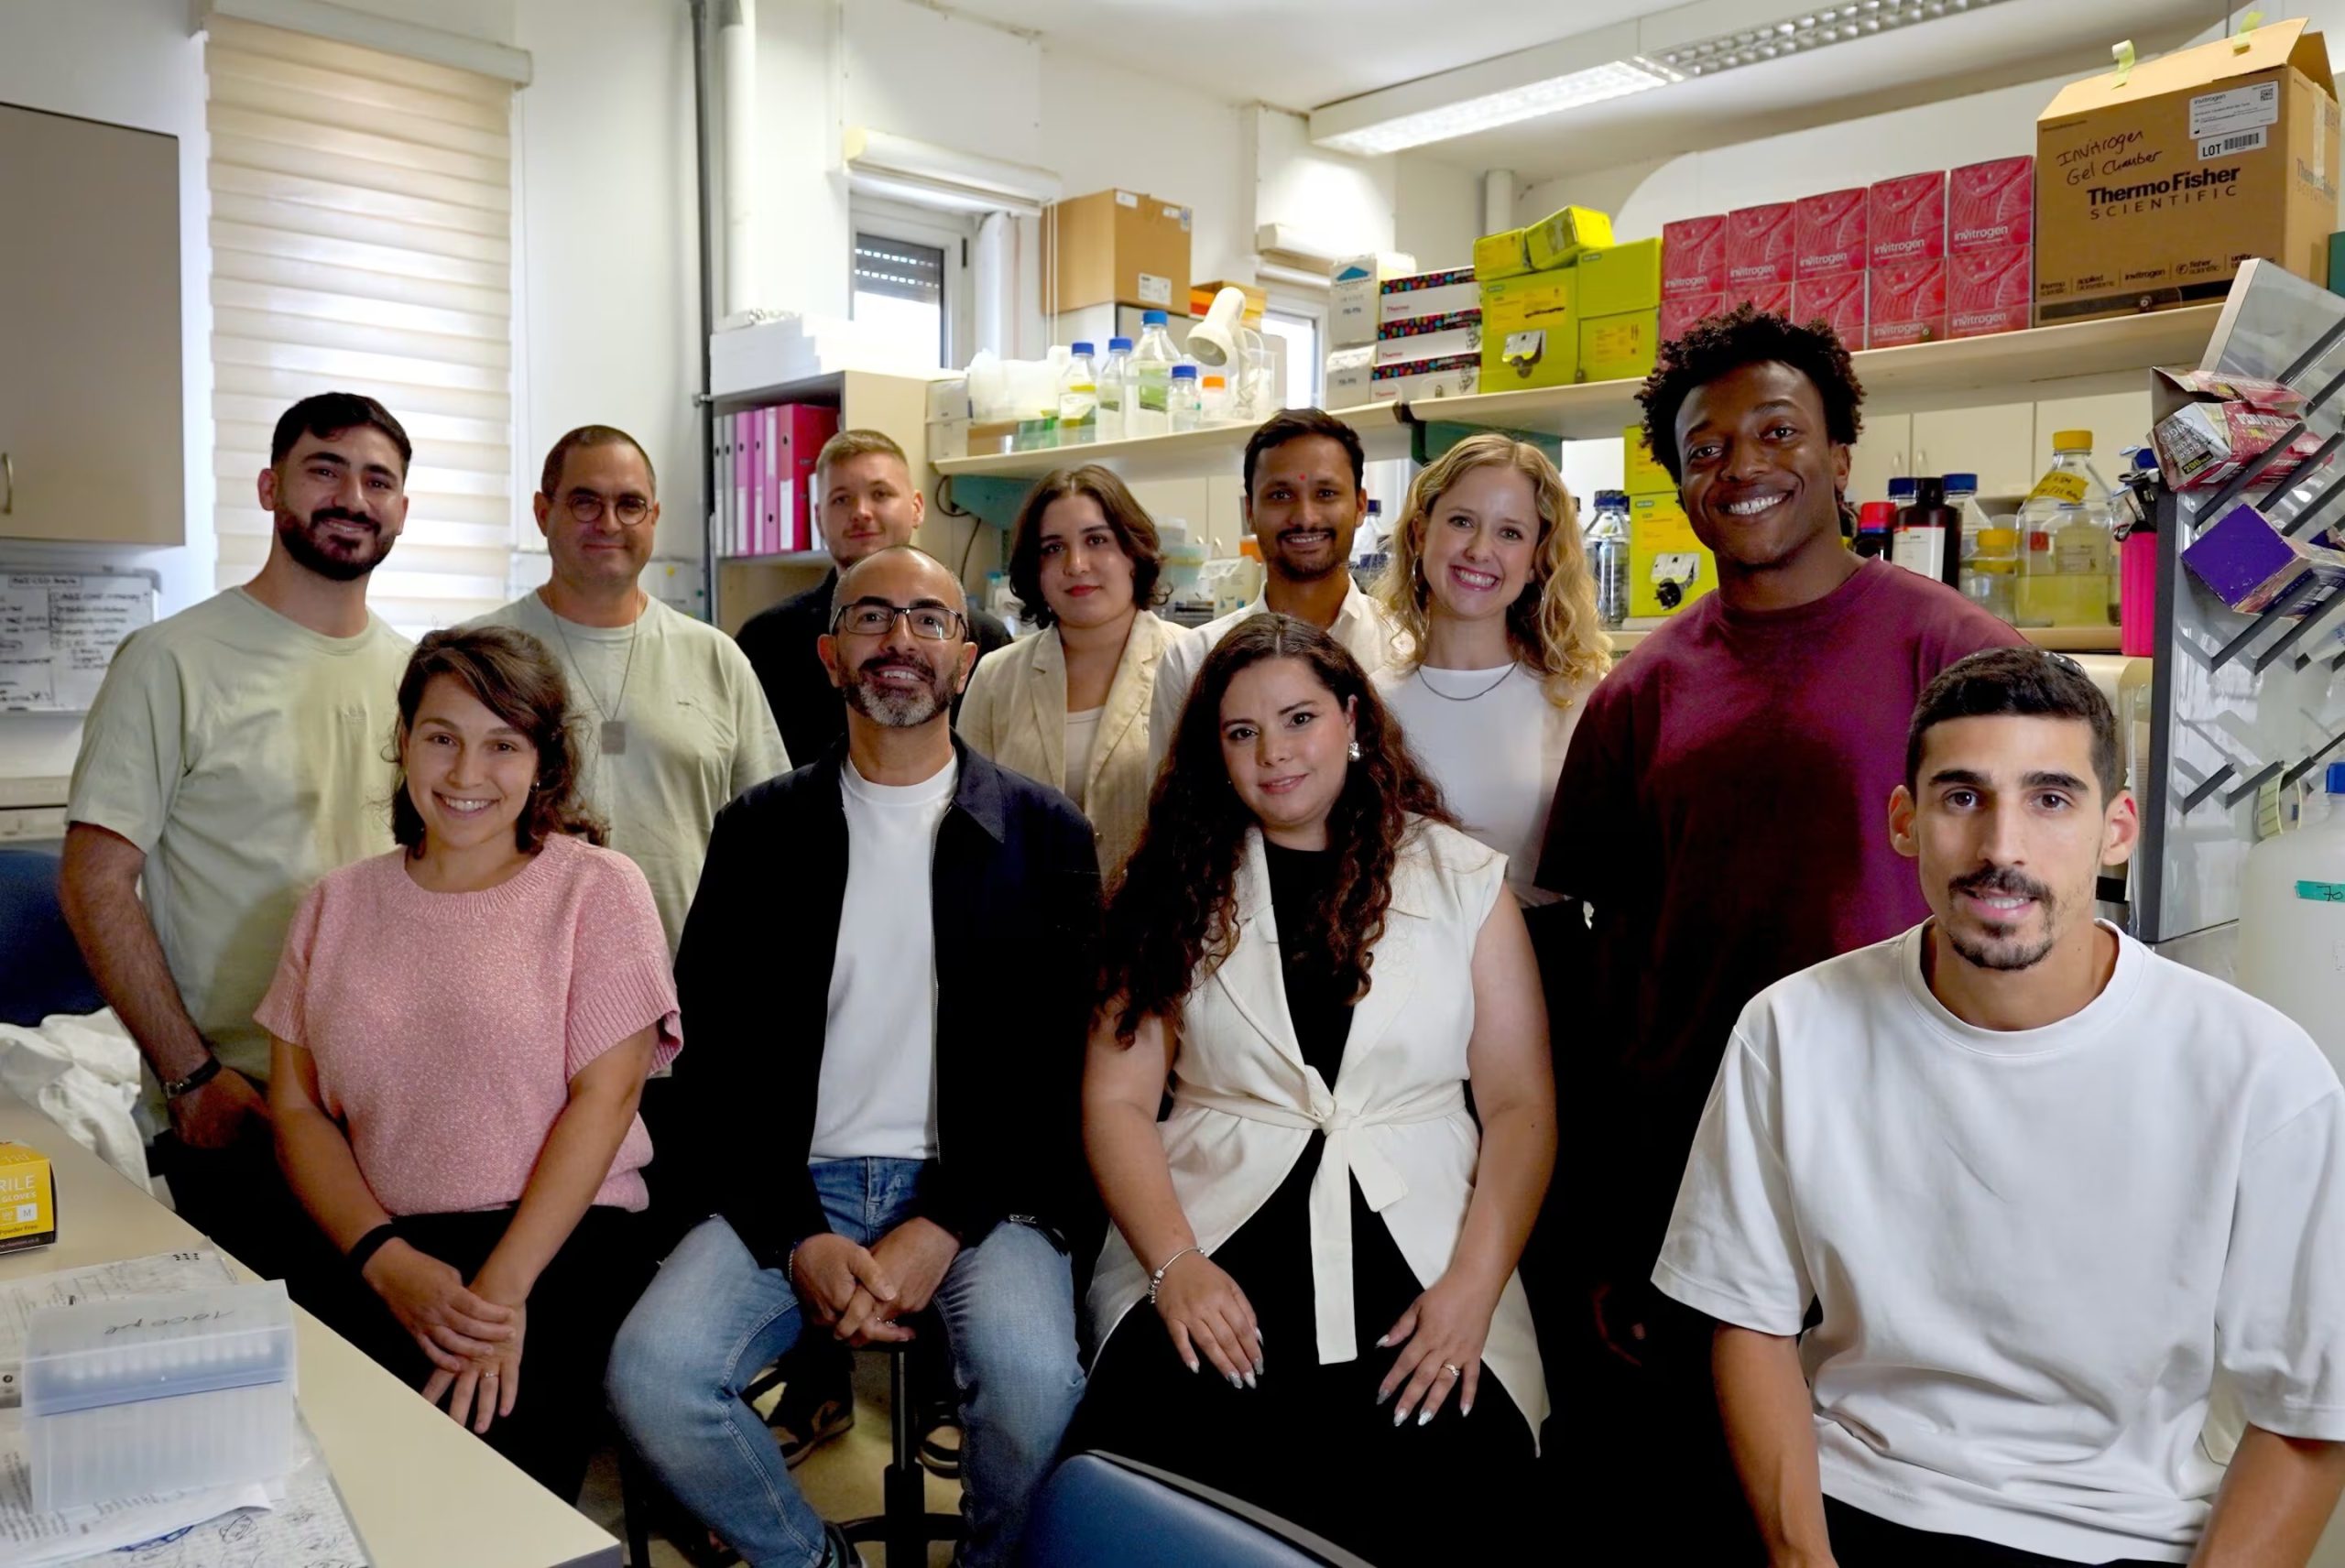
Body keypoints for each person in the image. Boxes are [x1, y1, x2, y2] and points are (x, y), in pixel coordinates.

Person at [1658, 647, 2345, 1566]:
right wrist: (1801, 1560)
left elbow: (2309, 1413)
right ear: (1905, 822)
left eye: (2050, 798)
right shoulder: (1791, 1028)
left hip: (2121, 1533)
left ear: (2115, 829)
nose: (2001, 848)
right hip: (1850, 1501)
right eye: (1961, 796)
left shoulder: (2258, 1073)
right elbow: (1748, 1315)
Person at [1533, 306, 2025, 1552]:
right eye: (1705, 448)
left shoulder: (1951, 651)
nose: (1741, 465)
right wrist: (1607, 1208)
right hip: (1698, 1156)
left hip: (1911, 1142)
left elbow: (2038, 897)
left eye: (1777, 431)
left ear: (1840, 454)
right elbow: (1605, 962)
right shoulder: (1641, 691)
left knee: (1894, 1485)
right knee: (1706, 1495)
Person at [608, 545, 1099, 1568]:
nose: (900, 640)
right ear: (831, 656)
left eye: (929, 619)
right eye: (871, 617)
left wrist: (944, 1222)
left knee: (1034, 1386)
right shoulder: (758, 830)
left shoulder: (1045, 833)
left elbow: (1058, 1075)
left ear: (965, 658)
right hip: (794, 1182)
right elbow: (712, 1067)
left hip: (984, 1191)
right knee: (653, 1374)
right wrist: (796, 1234)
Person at [1074, 614, 1554, 1564]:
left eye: (1299, 719)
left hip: (1425, 1239)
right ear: (1214, 753)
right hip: (1210, 1228)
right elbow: (1115, 1100)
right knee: (1155, 1457)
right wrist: (1176, 1265)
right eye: (1241, 732)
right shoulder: (1171, 885)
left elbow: (1520, 1107)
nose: (1274, 754)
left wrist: (1472, 1287)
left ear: (1352, 720)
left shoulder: (1463, 880)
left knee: (1455, 1459)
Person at [260, 626, 678, 1503]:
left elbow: (607, 1100)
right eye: (442, 737)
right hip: (373, 1236)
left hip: (555, 1239)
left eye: (502, 745)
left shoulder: (598, 889)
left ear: (544, 762)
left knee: (475, 1497)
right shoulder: (335, 904)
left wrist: (497, 1298)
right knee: (315, 1480)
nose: (465, 772)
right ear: (404, 742)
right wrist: (384, 1259)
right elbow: (297, 1110)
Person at [60, 391, 416, 1290]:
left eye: (378, 480)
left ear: (402, 509)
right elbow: (95, 881)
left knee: (408, 1357)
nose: (353, 498)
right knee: (291, 1358)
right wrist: (189, 1077)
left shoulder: (422, 678)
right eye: (324, 470)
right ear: (269, 487)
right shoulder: (172, 661)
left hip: (391, 1104)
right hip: (241, 1102)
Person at [474, 425, 788, 953]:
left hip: (688, 974)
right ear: (542, 512)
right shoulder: (478, 658)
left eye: (630, 504)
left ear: (654, 517)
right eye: (585, 502)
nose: (609, 523)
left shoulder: (716, 659)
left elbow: (773, 835)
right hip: (517, 971)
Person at [1371, 431, 1611, 909]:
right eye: (1462, 521)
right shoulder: (1370, 704)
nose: (1480, 550)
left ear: (1537, 560)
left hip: (1545, 948)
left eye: (1510, 533)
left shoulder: (1578, 698)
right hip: (1401, 947)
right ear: (1420, 533)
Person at [958, 464, 1180, 879]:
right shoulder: (995, 677)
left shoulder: (1190, 663)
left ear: (1133, 553)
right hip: (1028, 915)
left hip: (1159, 915)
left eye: (1096, 540)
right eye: (1053, 548)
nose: (1076, 565)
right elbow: (970, 822)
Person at [736, 429, 1010, 764]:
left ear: (916, 508)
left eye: (880, 494)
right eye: (842, 499)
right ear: (818, 519)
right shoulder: (766, 640)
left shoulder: (984, 639)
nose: (861, 512)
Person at [1147, 409, 1402, 765]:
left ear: (1360, 506)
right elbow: (1172, 798)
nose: (1305, 517)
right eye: (1281, 495)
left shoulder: (1405, 650)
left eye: (1326, 493)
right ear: (1250, 511)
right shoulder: (1191, 662)